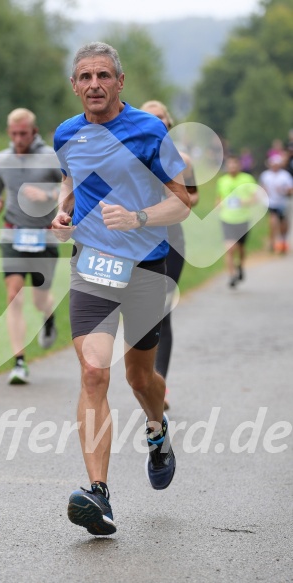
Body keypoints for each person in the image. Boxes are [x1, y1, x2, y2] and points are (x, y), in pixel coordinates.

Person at [52, 42, 191, 536]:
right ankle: (98, 495)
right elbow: (70, 179)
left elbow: (185, 200)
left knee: (139, 377)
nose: (94, 85)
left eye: (103, 76)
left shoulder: (150, 131)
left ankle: (157, 430)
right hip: (92, 264)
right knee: (93, 373)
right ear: (74, 85)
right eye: (85, 76)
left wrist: (137, 217)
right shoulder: (66, 133)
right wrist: (63, 210)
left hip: (147, 267)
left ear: (120, 82)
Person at [0, 108, 61, 384]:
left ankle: (48, 314)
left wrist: (47, 194)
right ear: (9, 133)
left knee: (39, 298)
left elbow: (70, 188)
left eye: (24, 134)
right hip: (13, 236)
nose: (19, 139)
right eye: (14, 134)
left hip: (44, 235)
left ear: (34, 131)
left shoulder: (50, 157)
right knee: (13, 296)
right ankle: (19, 361)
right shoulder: (3, 159)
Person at [140, 100, 199, 409]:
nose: (156, 123)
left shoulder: (183, 160)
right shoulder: (131, 157)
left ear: (169, 123)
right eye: (149, 118)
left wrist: (174, 197)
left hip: (172, 242)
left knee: (163, 312)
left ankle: (158, 384)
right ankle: (145, 379)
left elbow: (194, 196)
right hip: (140, 241)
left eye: (161, 118)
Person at [216, 155, 257, 287]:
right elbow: (219, 198)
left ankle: (240, 266)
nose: (232, 167)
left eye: (235, 164)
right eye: (230, 164)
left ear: (239, 166)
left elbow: (255, 198)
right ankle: (232, 275)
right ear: (227, 166)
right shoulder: (222, 181)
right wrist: (218, 206)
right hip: (227, 218)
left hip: (243, 219)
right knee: (229, 248)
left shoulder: (247, 179)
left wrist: (244, 201)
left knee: (241, 248)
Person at [259, 154, 293, 253]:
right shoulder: (265, 175)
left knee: (283, 223)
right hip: (271, 202)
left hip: (282, 202)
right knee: (272, 223)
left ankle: (283, 240)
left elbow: (291, 189)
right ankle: (272, 243)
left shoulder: (285, 175)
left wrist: (284, 190)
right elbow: (262, 187)